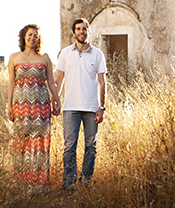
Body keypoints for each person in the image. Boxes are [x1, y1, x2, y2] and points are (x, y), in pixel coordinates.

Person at [53, 18, 107, 189]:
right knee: (69, 146)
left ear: (89, 32)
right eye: (78, 29)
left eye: (84, 29)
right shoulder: (65, 53)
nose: (81, 32)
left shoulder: (98, 54)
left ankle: (86, 181)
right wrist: (56, 100)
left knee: (91, 146)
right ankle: (69, 182)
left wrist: (102, 107)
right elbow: (59, 79)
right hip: (70, 108)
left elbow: (102, 82)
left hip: (91, 108)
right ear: (73, 32)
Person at [6, 23, 59, 185]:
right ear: (24, 36)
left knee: (40, 142)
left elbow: (50, 81)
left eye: (36, 35)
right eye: (30, 34)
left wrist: (56, 100)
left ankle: (39, 182)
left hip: (41, 107)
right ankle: (21, 182)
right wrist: (9, 105)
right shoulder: (14, 57)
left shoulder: (45, 58)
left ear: (39, 39)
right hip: (20, 106)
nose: (32, 38)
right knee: (21, 141)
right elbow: (11, 83)